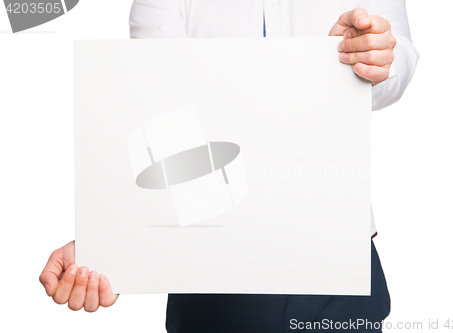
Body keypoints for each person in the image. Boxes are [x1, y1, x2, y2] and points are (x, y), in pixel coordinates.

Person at [40, 1, 419, 331]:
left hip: (336, 258)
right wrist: (116, 246)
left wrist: (372, 59)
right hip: (212, 267)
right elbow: (162, 110)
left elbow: (396, 63)